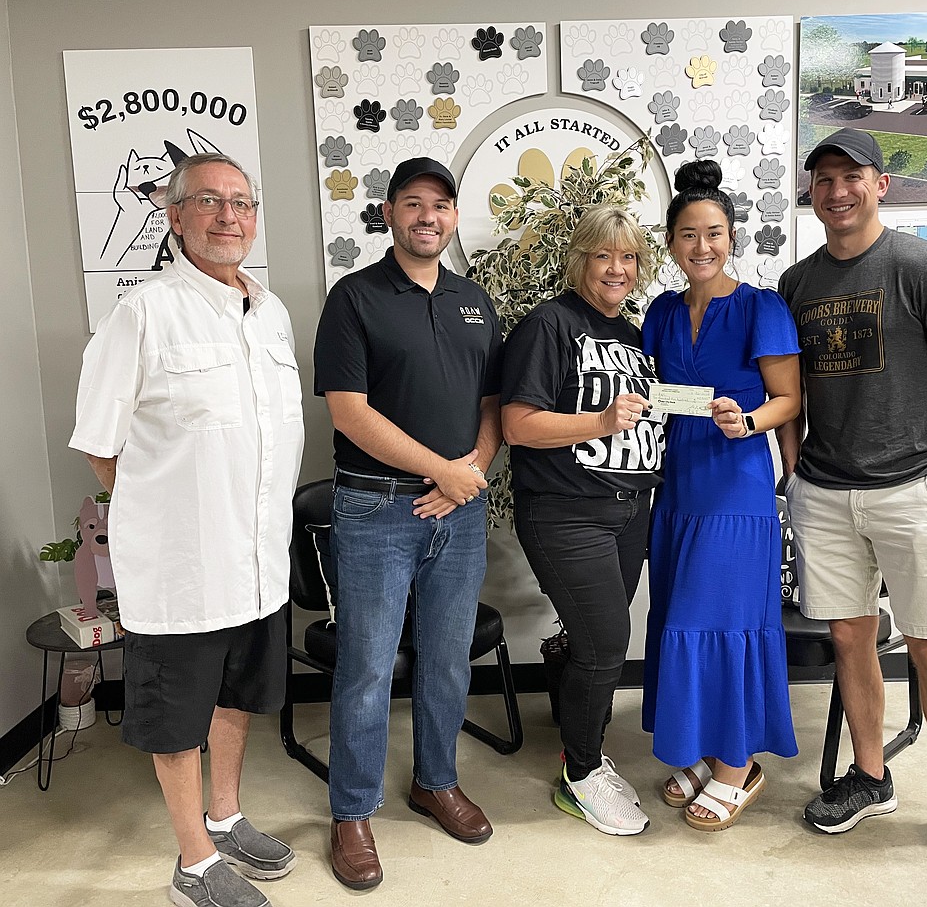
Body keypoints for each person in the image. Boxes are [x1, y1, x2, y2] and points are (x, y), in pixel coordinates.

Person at [70, 153, 304, 907]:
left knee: (238, 696)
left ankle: (226, 816)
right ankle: (193, 863)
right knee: (177, 716)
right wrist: (163, 514)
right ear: (175, 218)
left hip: (260, 560)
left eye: (241, 202)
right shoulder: (143, 312)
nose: (228, 215)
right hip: (181, 567)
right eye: (208, 201)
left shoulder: (271, 312)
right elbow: (101, 443)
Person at [776, 128, 927, 880]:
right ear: (811, 193)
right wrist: (793, 468)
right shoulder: (796, 284)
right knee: (849, 639)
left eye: (851, 176)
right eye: (823, 179)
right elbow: (790, 390)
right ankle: (870, 776)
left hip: (910, 489)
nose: (836, 191)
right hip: (826, 493)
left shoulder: (923, 266)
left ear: (881, 185)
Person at [313, 157, 503, 890]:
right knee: (365, 665)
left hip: (460, 507)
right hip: (374, 508)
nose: (429, 216)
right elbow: (349, 412)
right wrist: (442, 471)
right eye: (413, 203)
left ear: (454, 216)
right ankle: (352, 811)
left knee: (448, 658)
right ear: (388, 213)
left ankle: (436, 782)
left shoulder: (474, 300)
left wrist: (469, 475)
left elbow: (493, 404)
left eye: (442, 204)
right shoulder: (355, 298)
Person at [641, 160, 801, 831]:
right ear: (672, 242)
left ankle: (739, 764)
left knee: (725, 622)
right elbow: (660, 394)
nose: (700, 246)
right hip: (677, 489)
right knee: (683, 619)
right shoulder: (660, 311)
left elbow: (790, 398)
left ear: (731, 236)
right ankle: (708, 750)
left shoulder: (762, 307)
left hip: (736, 495)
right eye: (687, 234)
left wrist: (750, 420)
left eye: (712, 233)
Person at [501, 205, 665, 836]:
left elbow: (652, 411)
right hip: (567, 512)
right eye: (603, 256)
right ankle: (582, 772)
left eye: (627, 257)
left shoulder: (634, 335)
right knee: (604, 644)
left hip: (630, 513)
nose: (617, 269)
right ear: (579, 261)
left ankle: (584, 746)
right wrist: (598, 423)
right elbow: (518, 425)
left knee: (590, 642)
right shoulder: (547, 326)